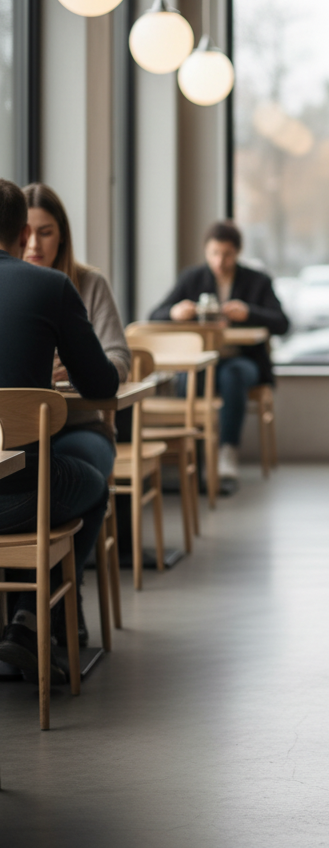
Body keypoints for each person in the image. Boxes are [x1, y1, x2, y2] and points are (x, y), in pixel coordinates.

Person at [0, 179, 120, 682]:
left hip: (53, 446)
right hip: (19, 493)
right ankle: (42, 616)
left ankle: (27, 620)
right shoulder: (50, 288)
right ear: (23, 231)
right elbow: (102, 382)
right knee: (92, 486)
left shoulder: (83, 281)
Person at [149, 220, 289, 483]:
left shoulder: (257, 281)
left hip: (243, 360)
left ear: (237, 253)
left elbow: (282, 323)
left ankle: (227, 451)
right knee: (187, 378)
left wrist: (249, 312)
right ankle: (190, 453)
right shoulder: (193, 278)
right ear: (206, 252)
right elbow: (154, 315)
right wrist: (174, 312)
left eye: (226, 254)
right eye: (214, 253)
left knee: (232, 375)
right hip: (202, 361)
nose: (220, 261)